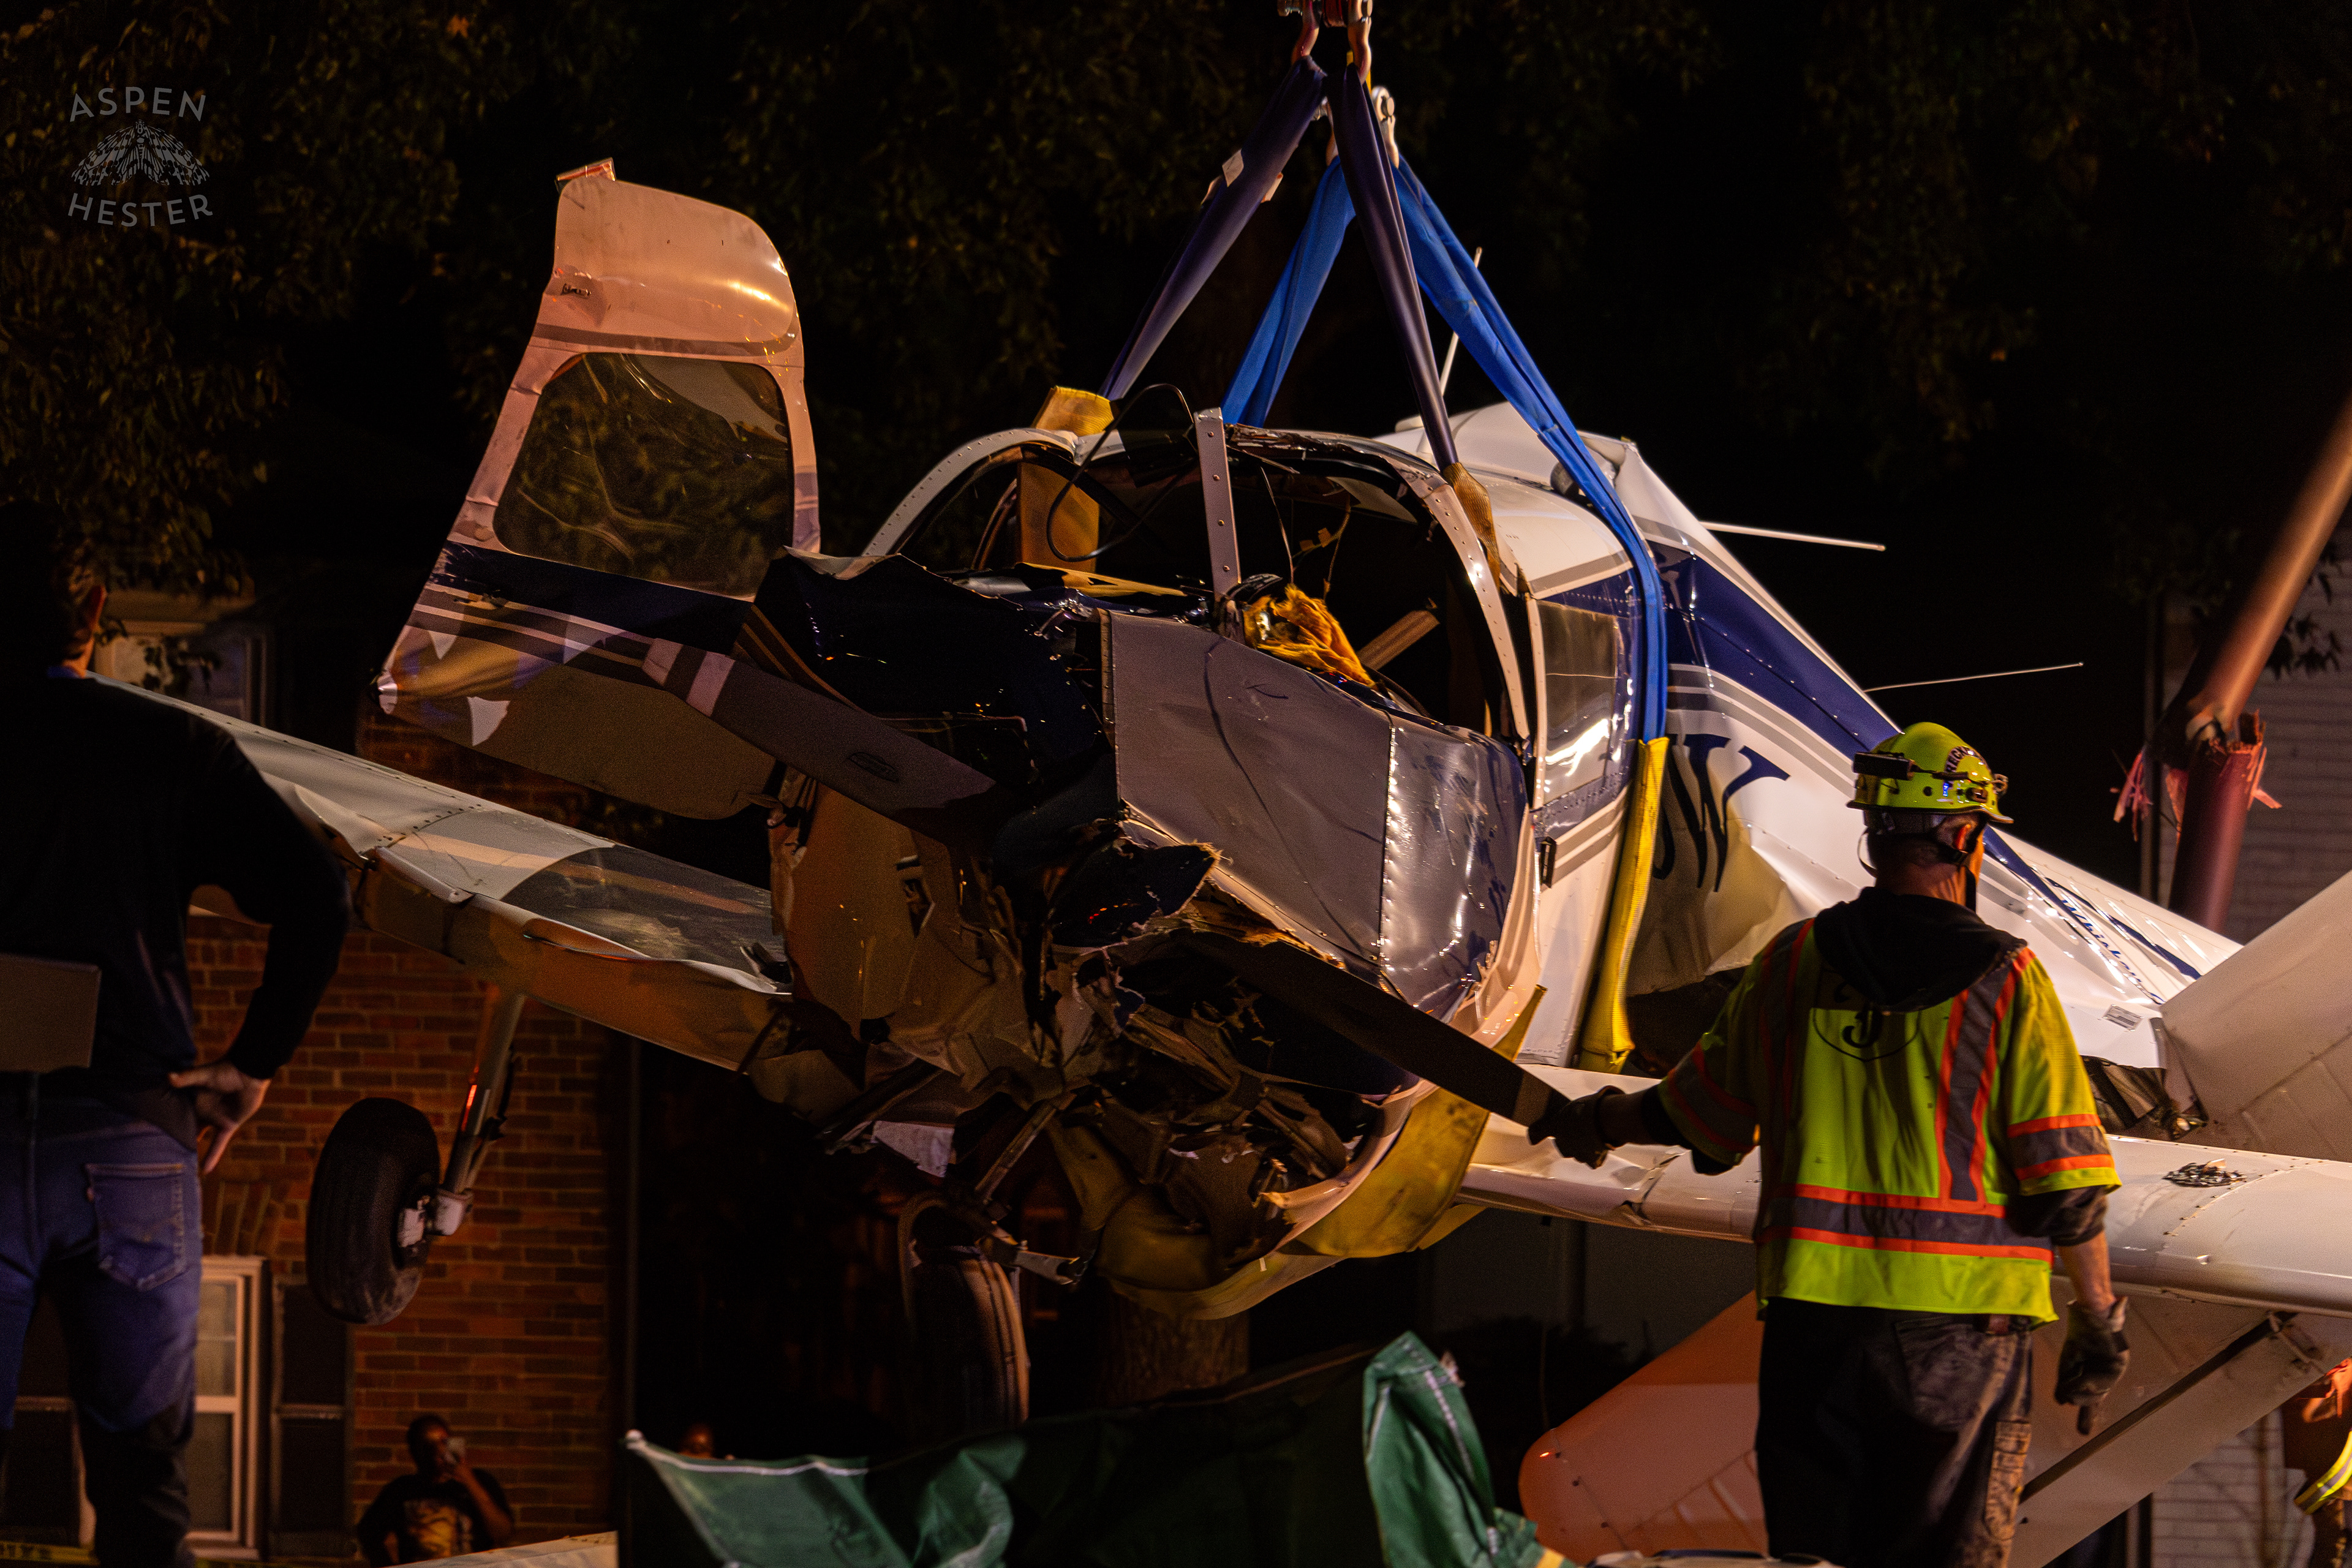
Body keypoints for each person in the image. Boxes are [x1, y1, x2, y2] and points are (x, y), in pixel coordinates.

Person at [1530, 722, 2129, 1568]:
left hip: (1816, 1333)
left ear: (1874, 835)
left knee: (1816, 1559)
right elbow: (2065, 1181)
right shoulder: (2008, 982)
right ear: (1966, 837)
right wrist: (2100, 1322)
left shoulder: (1792, 964)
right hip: (1958, 1337)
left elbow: (1696, 1113)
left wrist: (1594, 1119)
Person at [0, 513, 350, 1567]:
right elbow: (317, 898)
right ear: (97, 618)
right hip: (127, 1132)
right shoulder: (169, 746)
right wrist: (252, 1062)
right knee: (145, 1484)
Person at [357, 1414, 516, 1564]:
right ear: (416, 1452)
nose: (438, 1451)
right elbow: (368, 1534)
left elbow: (503, 1533)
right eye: (428, 1446)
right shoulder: (402, 1489)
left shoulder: (480, 1481)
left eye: (443, 1442)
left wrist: (468, 1480)